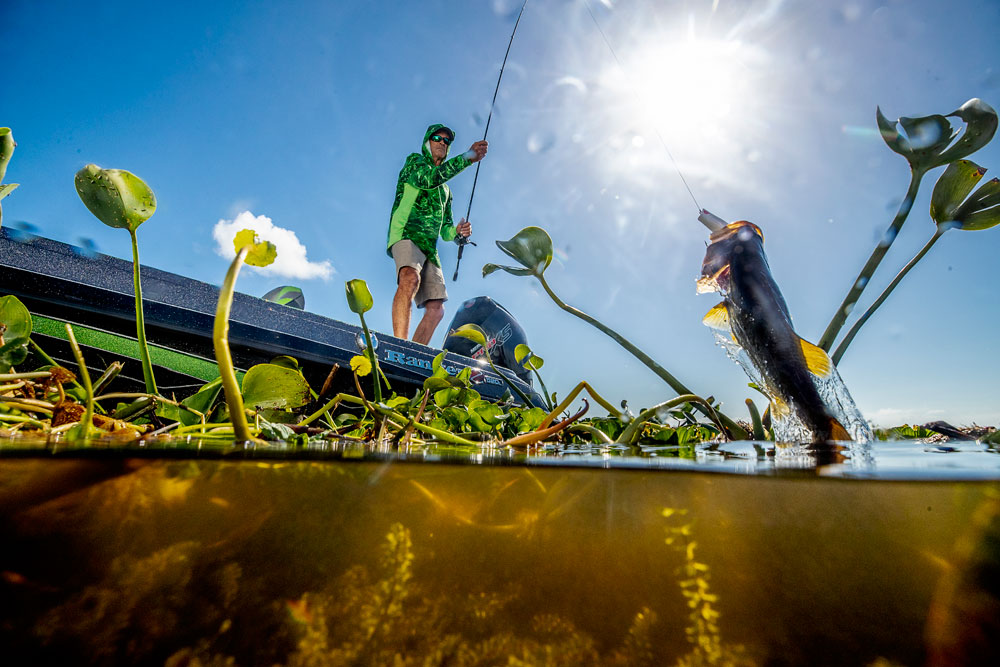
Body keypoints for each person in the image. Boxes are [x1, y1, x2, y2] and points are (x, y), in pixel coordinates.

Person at [387, 123, 487, 344]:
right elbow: (430, 179)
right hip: (406, 234)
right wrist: (468, 157)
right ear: (427, 141)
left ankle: (412, 355)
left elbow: (445, 230)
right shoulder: (415, 163)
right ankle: (399, 344)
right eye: (437, 138)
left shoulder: (446, 191)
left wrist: (458, 232)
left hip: (430, 248)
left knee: (437, 309)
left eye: (447, 141)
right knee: (410, 278)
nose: (442, 142)